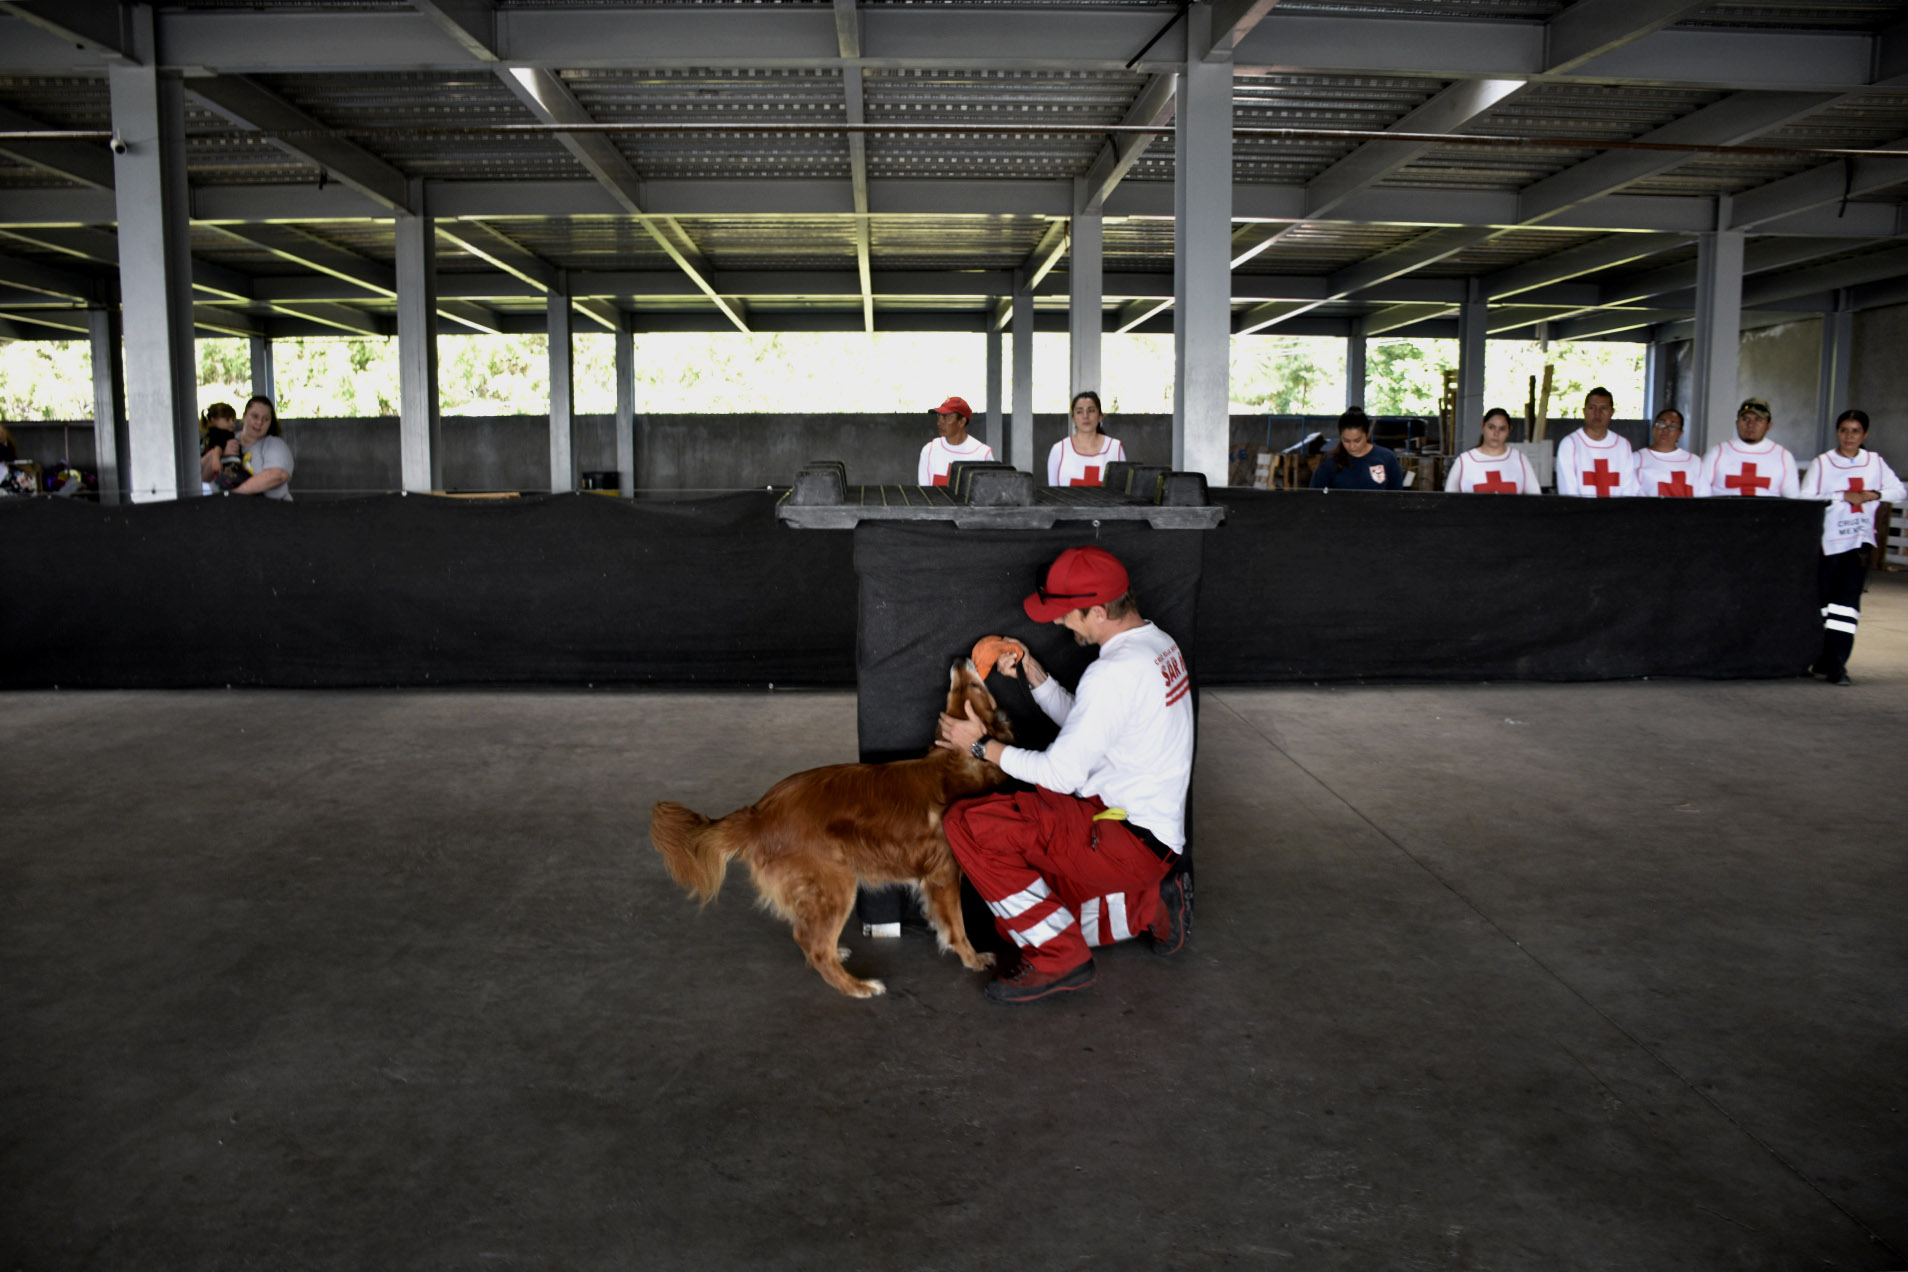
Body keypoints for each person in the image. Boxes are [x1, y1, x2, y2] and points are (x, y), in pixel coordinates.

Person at [934, 546, 1193, 1005]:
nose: (1057, 623)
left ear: (1097, 611)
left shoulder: (1113, 672)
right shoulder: (1158, 645)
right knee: (1015, 923)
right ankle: (1151, 903)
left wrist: (978, 745)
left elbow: (1058, 773)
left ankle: (1059, 959)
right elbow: (1092, 727)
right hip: (1149, 839)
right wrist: (1032, 672)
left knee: (965, 825)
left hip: (1119, 837)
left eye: (1064, 614)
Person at [1800, 408, 1904, 686]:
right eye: (1844, 430)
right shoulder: (1823, 463)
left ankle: (1837, 665)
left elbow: (1899, 491)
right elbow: (1805, 497)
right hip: (1826, 545)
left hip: (1858, 546)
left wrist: (1875, 493)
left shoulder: (1874, 462)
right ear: (1837, 432)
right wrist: (1841, 496)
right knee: (1820, 605)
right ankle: (1814, 658)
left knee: (1845, 610)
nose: (1849, 436)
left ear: (1865, 434)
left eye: (1855, 431)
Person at [1699, 396, 1799, 498]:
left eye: (1758, 420)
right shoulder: (1717, 453)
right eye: (1745, 419)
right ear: (1737, 423)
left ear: (1768, 425)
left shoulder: (1783, 456)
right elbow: (1700, 495)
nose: (1751, 424)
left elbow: (1794, 500)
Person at [1554, 386, 1639, 498]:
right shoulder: (1570, 444)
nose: (1597, 413)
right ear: (1584, 411)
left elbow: (1628, 488)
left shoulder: (1622, 445)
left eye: (1603, 408)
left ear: (1612, 412)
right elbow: (1568, 491)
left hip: (1616, 513)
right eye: (1592, 408)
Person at [1444, 407, 1539, 495]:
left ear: (1509, 430)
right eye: (1491, 427)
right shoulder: (1464, 461)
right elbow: (1449, 500)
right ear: (1482, 426)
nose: (1496, 433)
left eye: (1502, 429)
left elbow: (1536, 498)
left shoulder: (1519, 459)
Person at [1309, 407, 1403, 491]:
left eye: (1357, 440)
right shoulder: (1329, 463)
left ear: (1367, 434)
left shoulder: (1387, 458)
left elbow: (1397, 497)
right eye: (1346, 440)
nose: (1352, 446)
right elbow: (1314, 497)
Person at [1047, 390, 1126, 487]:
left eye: (1091, 410)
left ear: (1100, 416)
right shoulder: (1059, 450)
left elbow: (1122, 491)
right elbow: (1053, 493)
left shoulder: (1115, 448)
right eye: (1079, 412)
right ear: (1073, 418)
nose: (1085, 416)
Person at [222, 394, 294, 500]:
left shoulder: (275, 444)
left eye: (266, 419)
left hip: (275, 510)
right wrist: (218, 452)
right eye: (255, 416)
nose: (259, 422)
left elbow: (278, 475)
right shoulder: (226, 441)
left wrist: (233, 496)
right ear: (244, 416)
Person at [917, 395, 993, 487]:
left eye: (945, 417)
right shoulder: (929, 450)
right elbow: (924, 491)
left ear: (962, 421)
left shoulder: (983, 454)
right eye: (939, 416)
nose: (939, 422)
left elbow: (987, 492)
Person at [1633, 406, 1705, 498]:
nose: (1666, 430)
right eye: (1661, 424)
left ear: (1680, 433)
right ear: (1653, 427)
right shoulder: (1636, 458)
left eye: (1673, 426)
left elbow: (1704, 498)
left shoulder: (1695, 462)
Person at [199, 402, 240, 494]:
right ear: (213, 421)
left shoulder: (209, 435)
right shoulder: (222, 434)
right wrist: (216, 458)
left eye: (233, 420)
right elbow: (219, 445)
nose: (232, 423)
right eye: (227, 420)